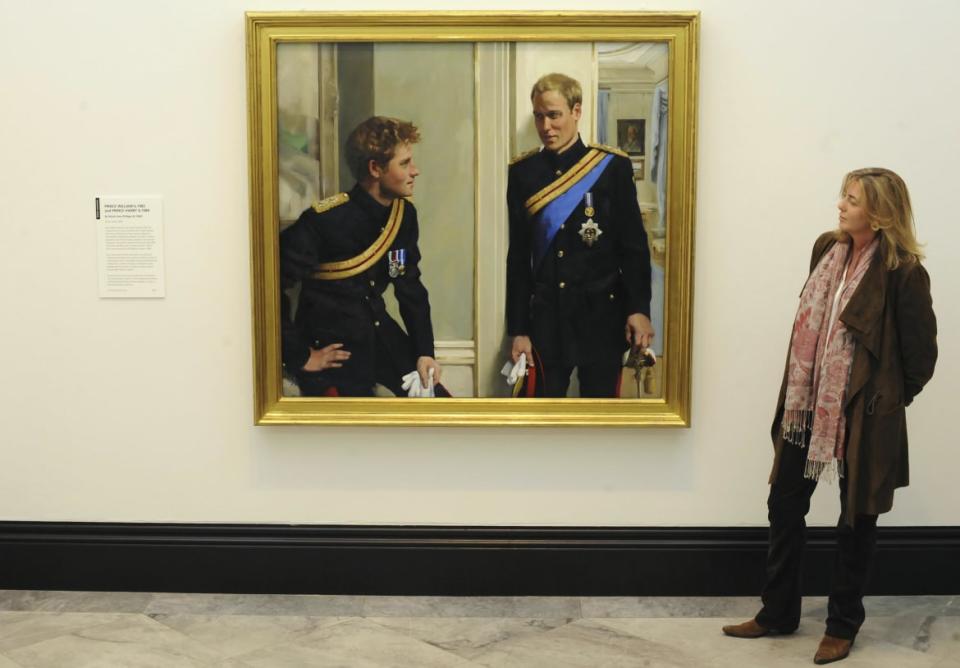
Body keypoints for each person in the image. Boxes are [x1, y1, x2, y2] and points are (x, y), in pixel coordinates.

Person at [722, 168, 938, 664]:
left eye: (852, 199)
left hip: (862, 411)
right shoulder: (827, 249)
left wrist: (883, 400)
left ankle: (842, 625)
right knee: (784, 502)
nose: (840, 205)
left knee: (855, 519)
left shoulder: (904, 271)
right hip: (807, 405)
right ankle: (777, 611)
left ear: (880, 213)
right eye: (843, 195)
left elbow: (920, 357)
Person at [506, 73, 654, 398]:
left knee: (600, 425)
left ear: (576, 111)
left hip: (601, 319)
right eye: (539, 116)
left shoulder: (611, 167)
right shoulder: (523, 174)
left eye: (554, 115)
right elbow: (518, 257)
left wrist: (639, 308)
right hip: (546, 322)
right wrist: (517, 329)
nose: (546, 126)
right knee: (541, 427)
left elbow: (633, 248)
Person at [279, 116, 443, 397]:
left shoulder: (402, 216)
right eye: (404, 164)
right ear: (375, 169)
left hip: (382, 338)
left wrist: (424, 351)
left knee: (439, 409)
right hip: (333, 349)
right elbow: (269, 285)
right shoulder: (324, 221)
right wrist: (300, 355)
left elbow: (408, 287)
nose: (415, 171)